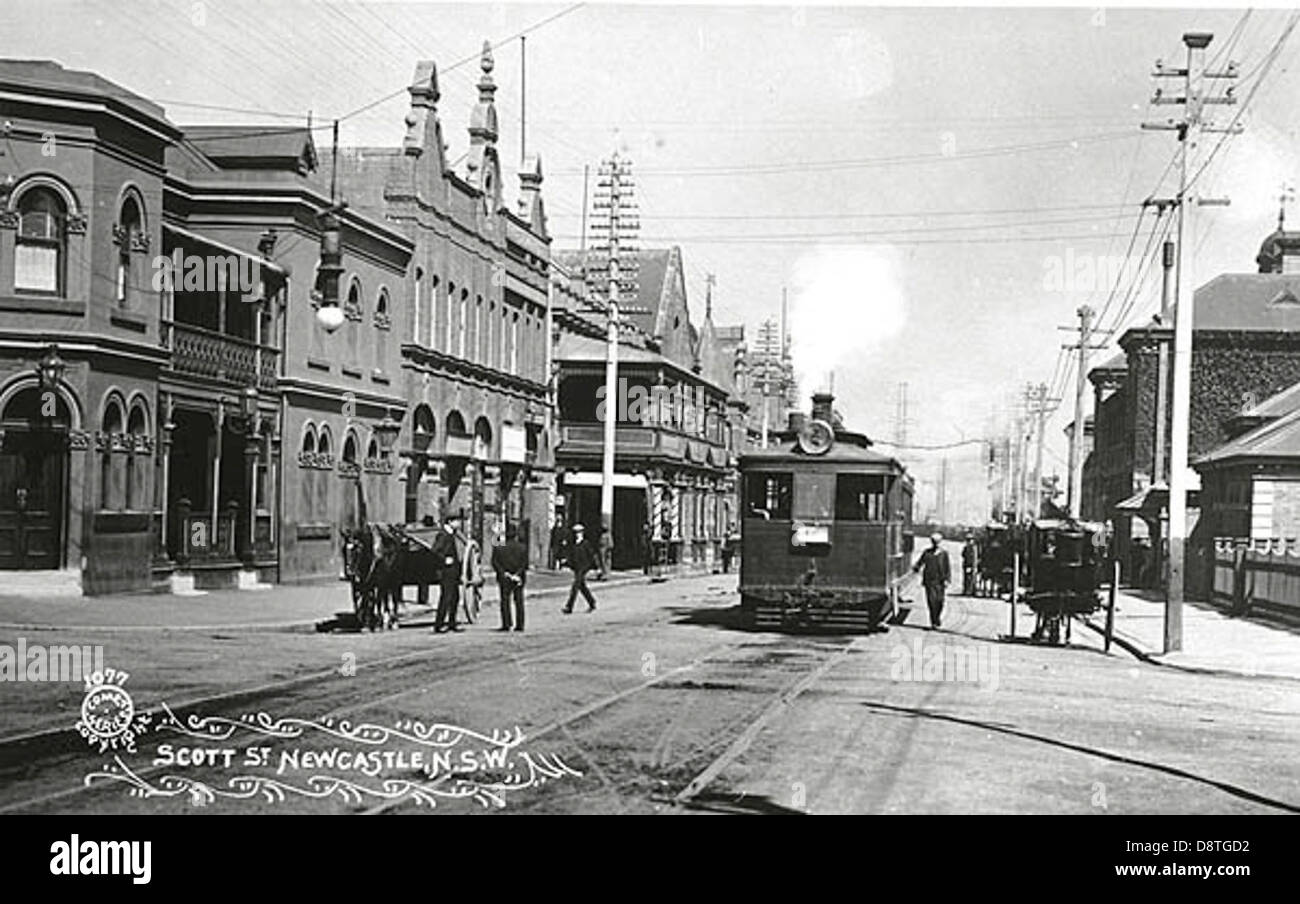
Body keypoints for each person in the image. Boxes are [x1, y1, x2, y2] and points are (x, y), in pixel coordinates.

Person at [491, 524, 528, 632]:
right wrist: (517, 574)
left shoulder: (499, 547)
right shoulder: (522, 547)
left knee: (505, 600)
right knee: (519, 601)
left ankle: (506, 624)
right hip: (518, 577)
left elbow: (495, 562)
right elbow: (524, 564)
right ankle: (520, 625)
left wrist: (504, 573)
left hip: (504, 578)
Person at [431, 513, 464, 633]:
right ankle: (438, 624)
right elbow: (435, 551)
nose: (459, 524)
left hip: (453, 571)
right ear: (450, 522)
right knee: (446, 597)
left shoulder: (451, 534)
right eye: (457, 521)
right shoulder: (443, 535)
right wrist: (444, 560)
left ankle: (452, 623)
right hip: (446, 571)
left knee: (455, 597)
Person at [913, 532, 951, 629]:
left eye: (937, 542)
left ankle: (937, 618)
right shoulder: (927, 553)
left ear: (940, 542)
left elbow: (947, 568)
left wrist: (947, 580)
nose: (935, 544)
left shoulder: (944, 553)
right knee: (931, 602)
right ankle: (934, 622)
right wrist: (915, 568)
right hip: (929, 582)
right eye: (934, 542)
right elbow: (920, 562)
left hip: (940, 582)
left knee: (940, 601)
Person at [562, 523, 599, 614]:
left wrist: (596, 567)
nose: (577, 534)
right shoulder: (574, 544)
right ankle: (592, 602)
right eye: (575, 532)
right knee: (582, 587)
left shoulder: (585, 543)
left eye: (579, 532)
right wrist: (567, 562)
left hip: (584, 567)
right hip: (576, 567)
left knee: (575, 586)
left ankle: (569, 606)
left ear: (582, 533)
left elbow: (592, 555)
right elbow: (571, 556)